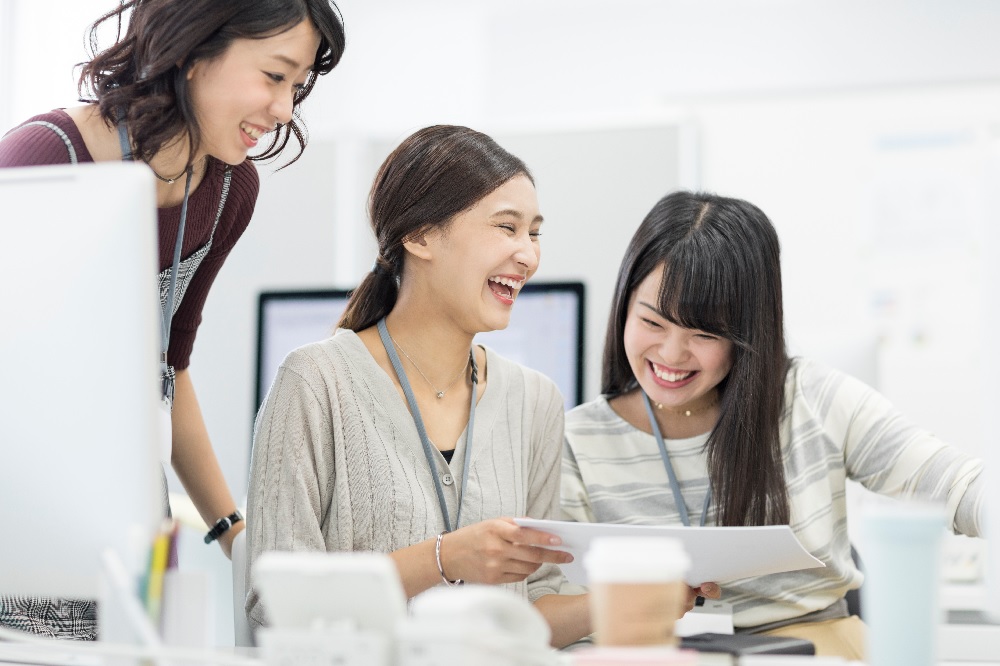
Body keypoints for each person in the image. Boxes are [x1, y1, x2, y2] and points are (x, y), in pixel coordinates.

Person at [0, 0, 346, 639]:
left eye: (296, 88)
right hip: (22, 529)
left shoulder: (227, 193)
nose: (284, 111)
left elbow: (168, 370)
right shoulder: (40, 161)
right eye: (274, 77)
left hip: (130, 530)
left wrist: (233, 537)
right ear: (193, 50)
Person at [560, 190, 984, 658]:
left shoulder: (813, 400)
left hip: (812, 648)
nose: (672, 354)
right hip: (655, 652)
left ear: (748, 334)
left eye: (704, 334)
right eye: (653, 323)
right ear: (624, 306)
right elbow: (556, 605)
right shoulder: (577, 442)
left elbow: (959, 485)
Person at [244, 125, 591, 647]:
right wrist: (442, 559)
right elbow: (273, 606)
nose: (528, 255)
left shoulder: (535, 400)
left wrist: (634, 595)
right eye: (506, 227)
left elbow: (534, 602)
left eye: (534, 232)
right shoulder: (316, 382)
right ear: (420, 235)